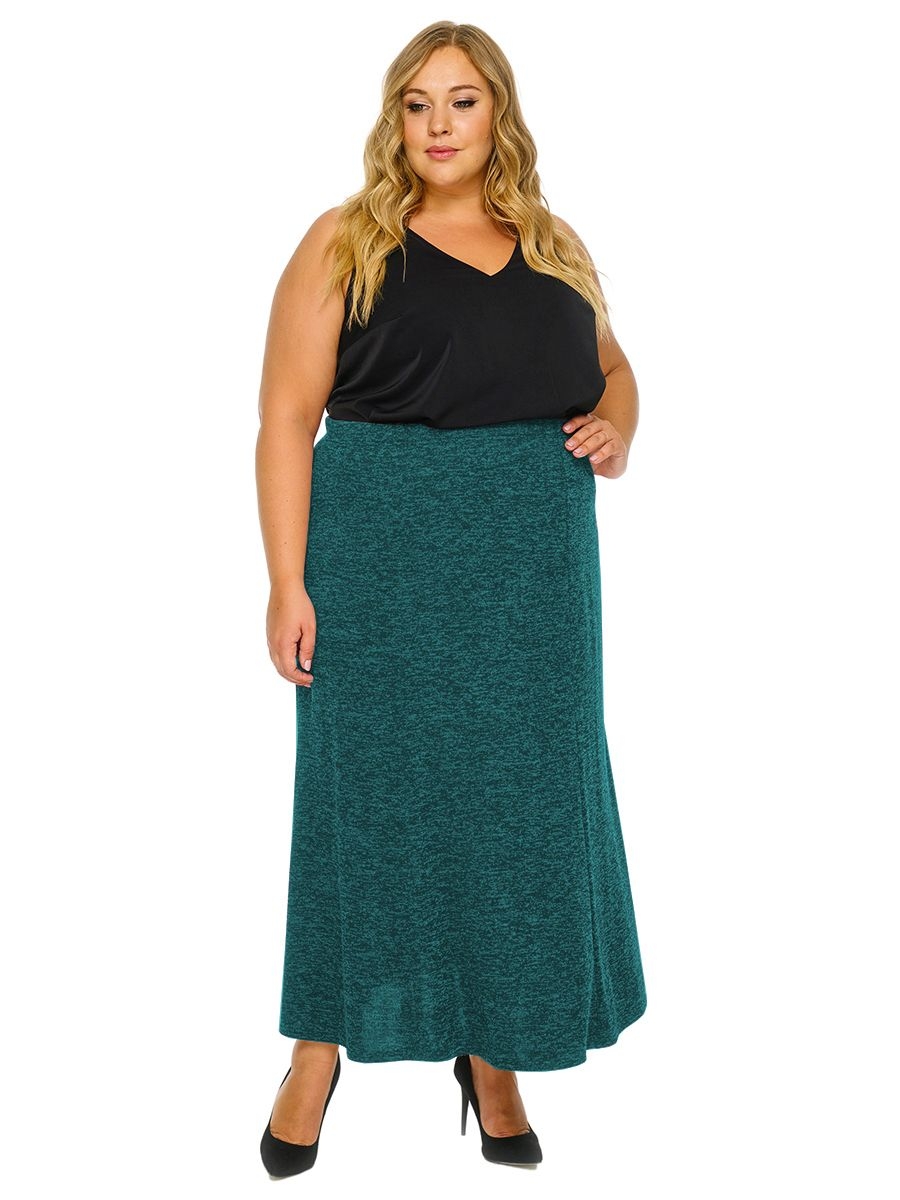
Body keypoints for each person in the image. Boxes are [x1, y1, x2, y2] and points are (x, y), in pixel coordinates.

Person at [255, 20, 647, 1178]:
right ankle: (317, 1049)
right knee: (367, 802)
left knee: (521, 809)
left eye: (462, 101)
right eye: (417, 103)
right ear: (395, 118)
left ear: (498, 114)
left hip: (535, 571)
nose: (438, 124)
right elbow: (285, 417)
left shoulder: (554, 241)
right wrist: (286, 579)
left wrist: (619, 424)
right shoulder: (346, 238)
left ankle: (496, 1051)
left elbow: (616, 368)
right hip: (380, 558)